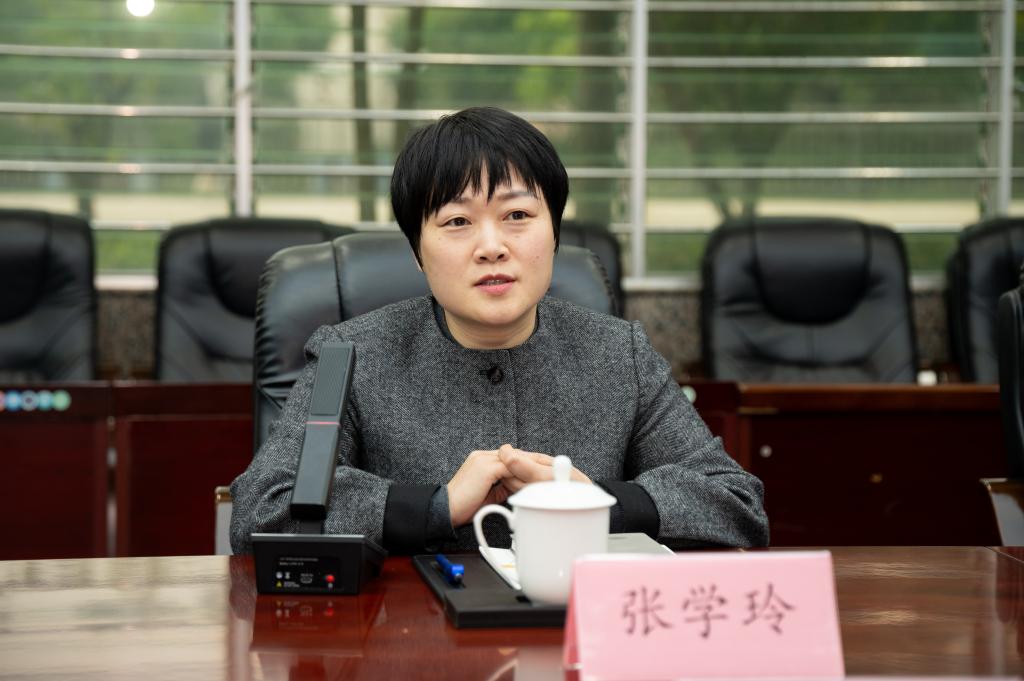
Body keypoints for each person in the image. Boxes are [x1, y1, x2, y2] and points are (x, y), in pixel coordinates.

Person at [229, 106, 768, 555]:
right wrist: (436, 507)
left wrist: (597, 502)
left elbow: (736, 504)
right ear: (417, 252)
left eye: (517, 216)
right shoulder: (353, 356)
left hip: (579, 629)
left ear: (554, 234)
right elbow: (262, 509)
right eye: (457, 222)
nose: (492, 246)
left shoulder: (618, 354)